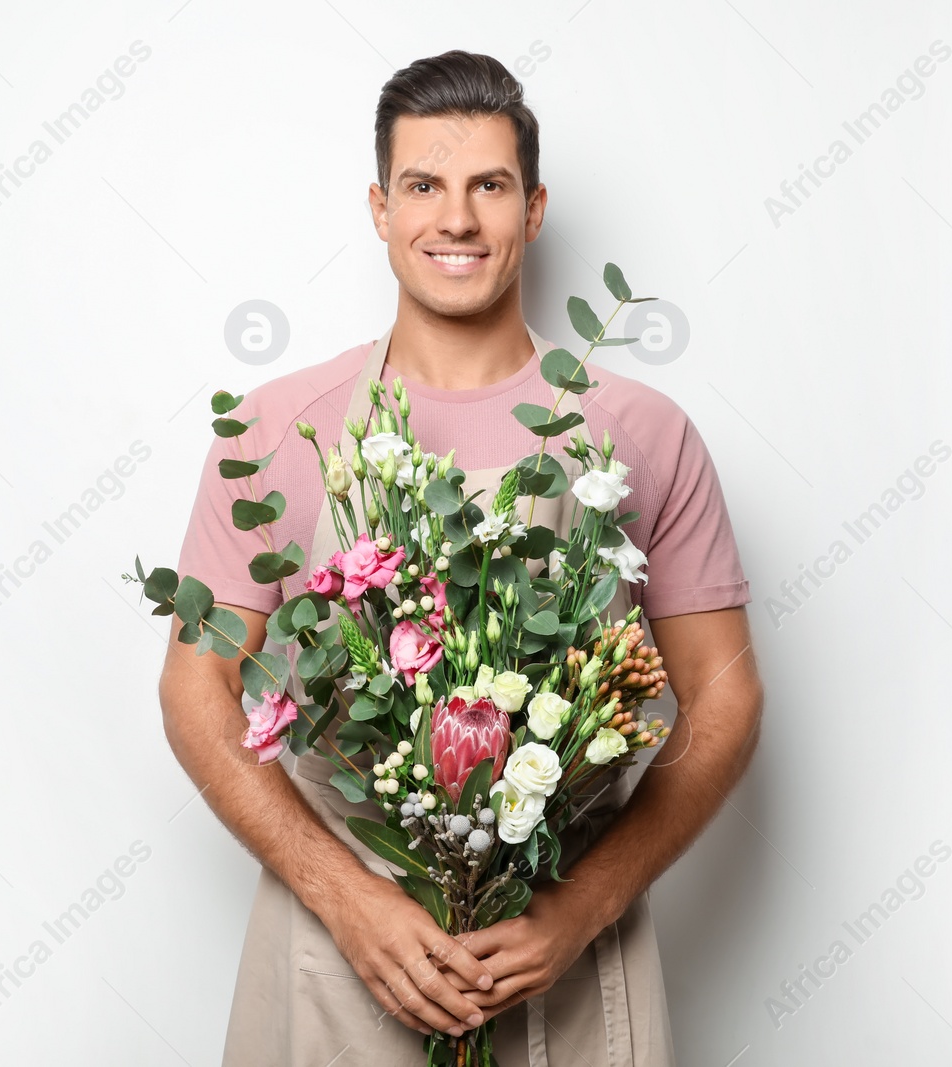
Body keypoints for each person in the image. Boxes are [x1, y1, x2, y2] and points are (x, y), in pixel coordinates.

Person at [160, 50, 765, 1065]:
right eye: (423, 186)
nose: (456, 219)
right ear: (379, 208)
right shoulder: (272, 433)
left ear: (531, 211)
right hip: (334, 965)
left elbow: (725, 696)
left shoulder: (639, 432)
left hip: (564, 970)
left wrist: (581, 907)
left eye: (487, 186)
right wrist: (348, 899)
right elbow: (196, 687)